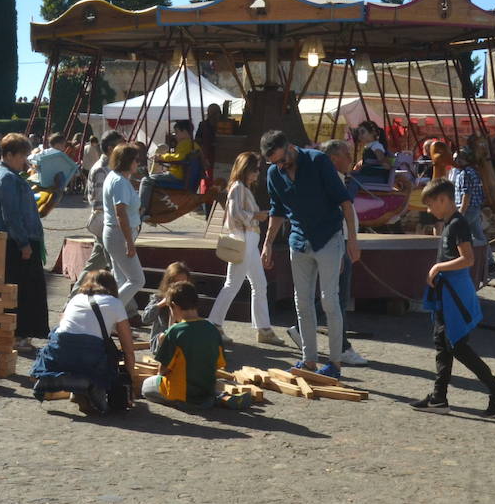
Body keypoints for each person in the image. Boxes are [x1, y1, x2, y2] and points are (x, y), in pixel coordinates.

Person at [411, 178, 495, 417]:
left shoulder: (458, 224)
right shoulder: (450, 223)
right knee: (444, 345)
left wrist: (438, 268)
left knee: (456, 346)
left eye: (430, 204)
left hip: (454, 297)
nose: (429, 210)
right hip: (446, 296)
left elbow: (468, 259)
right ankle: (439, 398)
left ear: (443, 200)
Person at [260, 130, 358, 379]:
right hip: (299, 241)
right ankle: (309, 360)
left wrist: (352, 240)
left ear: (291, 147)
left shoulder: (318, 161)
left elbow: (344, 201)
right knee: (302, 302)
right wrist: (268, 243)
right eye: (276, 163)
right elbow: (277, 210)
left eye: (283, 160)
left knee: (329, 300)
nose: (281, 166)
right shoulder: (274, 173)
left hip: (328, 237)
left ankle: (335, 364)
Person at [30, 270, 137, 415]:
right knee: (108, 355)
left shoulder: (76, 298)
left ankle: (54, 380)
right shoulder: (115, 303)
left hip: (59, 350)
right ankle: (88, 386)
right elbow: (128, 348)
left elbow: (62, 327)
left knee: (68, 347)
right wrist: (131, 380)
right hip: (89, 354)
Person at [208, 151, 284, 347]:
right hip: (245, 238)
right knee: (237, 284)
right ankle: (215, 324)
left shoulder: (239, 187)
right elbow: (234, 213)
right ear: (246, 169)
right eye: (255, 169)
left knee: (258, 284)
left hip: (247, 238)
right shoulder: (239, 187)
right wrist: (256, 215)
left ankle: (263, 328)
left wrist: (254, 216)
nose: (258, 173)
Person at [142, 281, 250, 410]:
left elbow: (162, 371)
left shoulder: (175, 331)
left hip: (184, 394)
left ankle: (181, 402)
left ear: (174, 306)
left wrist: (162, 345)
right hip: (205, 390)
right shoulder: (212, 329)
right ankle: (218, 397)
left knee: (146, 386)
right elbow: (219, 364)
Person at [0, 132, 49, 347]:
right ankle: (15, 334)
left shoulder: (8, 174)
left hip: (14, 240)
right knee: (18, 292)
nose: (25, 161)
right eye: (22, 156)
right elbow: (11, 214)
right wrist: (23, 243)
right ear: (10, 155)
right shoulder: (6, 177)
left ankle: (17, 333)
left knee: (23, 291)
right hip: (12, 243)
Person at [316, 140, 368, 365]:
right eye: (347, 154)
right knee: (338, 297)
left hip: (340, 242)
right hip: (339, 243)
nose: (351, 159)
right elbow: (335, 216)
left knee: (333, 296)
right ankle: (342, 347)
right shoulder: (331, 182)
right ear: (335, 158)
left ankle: (303, 329)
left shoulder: (333, 179)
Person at [72, 131, 125, 296]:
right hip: (106, 223)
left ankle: (72, 298)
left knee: (106, 264)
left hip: (108, 223)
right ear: (110, 148)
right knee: (117, 266)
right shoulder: (102, 170)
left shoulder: (110, 168)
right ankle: (128, 308)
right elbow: (101, 202)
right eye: (120, 145)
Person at [101, 143, 144, 314]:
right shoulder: (119, 181)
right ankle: (107, 315)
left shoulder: (117, 178)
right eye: (136, 160)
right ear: (128, 161)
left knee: (121, 279)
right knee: (137, 280)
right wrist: (129, 242)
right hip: (120, 234)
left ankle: (114, 321)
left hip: (115, 233)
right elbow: (121, 214)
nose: (138, 163)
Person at [448, 147, 489, 280]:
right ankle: (490, 261)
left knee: (454, 232)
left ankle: (455, 258)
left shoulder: (465, 174)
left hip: (468, 208)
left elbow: (466, 194)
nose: (454, 161)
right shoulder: (473, 172)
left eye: (455, 159)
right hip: (475, 207)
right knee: (478, 235)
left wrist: (461, 212)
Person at [140, 261, 192, 346]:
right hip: (161, 341)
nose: (179, 286)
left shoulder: (189, 299)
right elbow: (145, 319)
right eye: (176, 282)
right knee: (163, 337)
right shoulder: (158, 298)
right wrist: (160, 304)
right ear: (169, 282)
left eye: (183, 283)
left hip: (181, 338)